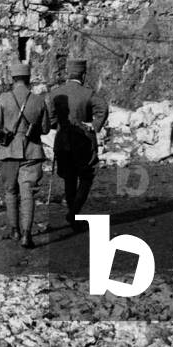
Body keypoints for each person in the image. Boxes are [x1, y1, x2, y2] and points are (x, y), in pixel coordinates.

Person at [0, 60, 53, 248]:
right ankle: (27, 235)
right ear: (28, 79)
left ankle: (14, 230)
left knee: (10, 192)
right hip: (32, 151)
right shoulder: (38, 100)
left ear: (13, 78)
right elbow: (45, 129)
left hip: (8, 152)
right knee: (28, 194)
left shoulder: (4, 98)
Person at [50, 57, 108, 230]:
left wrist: (60, 125)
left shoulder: (56, 93)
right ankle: (73, 213)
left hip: (62, 141)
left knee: (69, 178)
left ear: (68, 73)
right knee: (87, 176)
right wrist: (94, 125)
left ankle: (73, 216)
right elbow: (102, 108)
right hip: (83, 141)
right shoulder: (88, 93)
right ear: (83, 75)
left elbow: (51, 119)